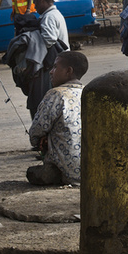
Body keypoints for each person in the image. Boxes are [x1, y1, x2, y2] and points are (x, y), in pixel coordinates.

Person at [27, 51, 89, 186]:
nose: (51, 72)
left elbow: (36, 131)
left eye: (55, 67)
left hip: (69, 171)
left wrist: (39, 140)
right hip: (90, 170)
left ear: (68, 71)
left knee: (33, 173)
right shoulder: (88, 93)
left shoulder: (55, 94)